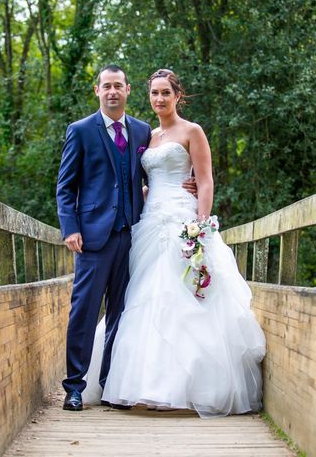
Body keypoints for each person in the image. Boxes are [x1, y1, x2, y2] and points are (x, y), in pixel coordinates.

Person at [83, 69, 266, 418]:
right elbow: (145, 179)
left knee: (182, 295)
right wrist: (145, 193)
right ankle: (142, 386)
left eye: (166, 93)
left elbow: (206, 181)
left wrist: (200, 226)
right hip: (150, 220)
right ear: (148, 96)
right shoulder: (147, 136)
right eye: (154, 93)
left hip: (184, 222)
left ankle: (188, 387)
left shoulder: (192, 131)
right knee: (142, 297)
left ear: (178, 95)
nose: (159, 99)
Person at [56, 65, 195, 411]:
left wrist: (185, 185)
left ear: (128, 90)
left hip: (132, 234)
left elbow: (142, 176)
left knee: (122, 311)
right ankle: (74, 386)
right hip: (91, 237)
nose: (113, 91)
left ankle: (109, 384)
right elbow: (65, 186)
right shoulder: (81, 131)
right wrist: (70, 227)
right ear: (97, 91)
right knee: (84, 310)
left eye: (119, 85)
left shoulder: (141, 131)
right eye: (107, 86)